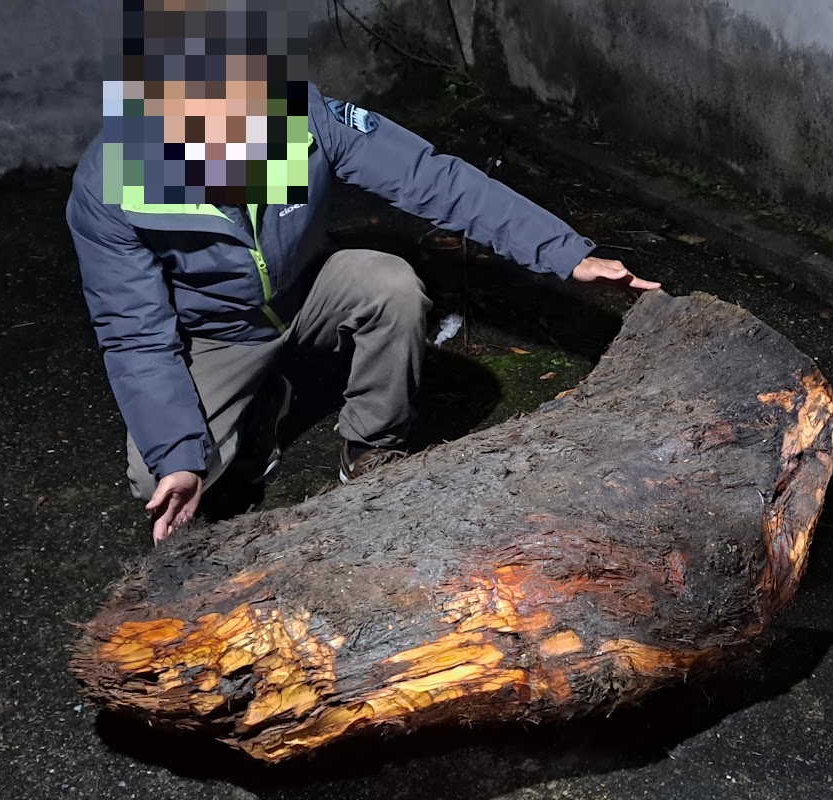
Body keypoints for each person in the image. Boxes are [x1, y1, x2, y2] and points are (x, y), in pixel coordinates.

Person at [67, 67, 658, 544]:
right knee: (160, 474)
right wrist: (177, 454)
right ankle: (264, 403)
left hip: (308, 290)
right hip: (217, 330)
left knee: (390, 283)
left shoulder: (300, 114)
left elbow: (432, 178)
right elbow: (134, 332)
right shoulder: (109, 186)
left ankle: (373, 445)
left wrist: (564, 254)